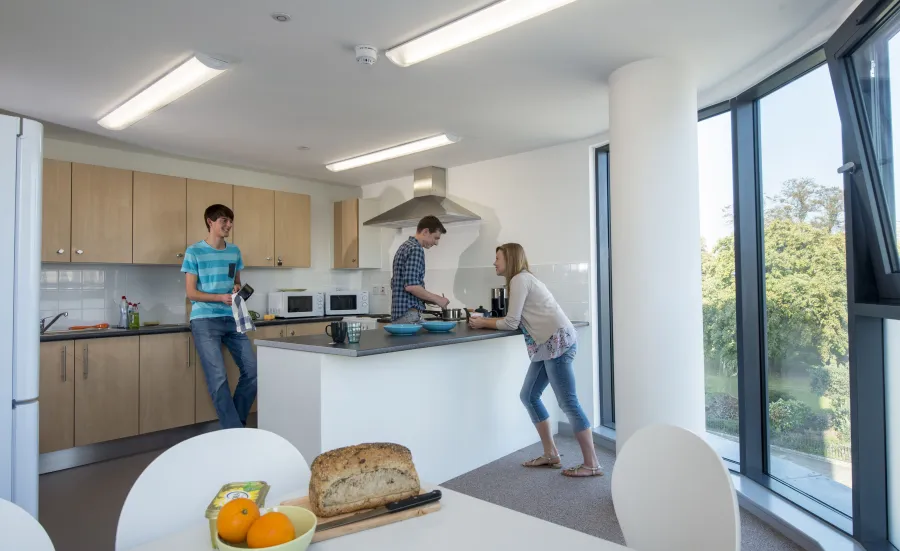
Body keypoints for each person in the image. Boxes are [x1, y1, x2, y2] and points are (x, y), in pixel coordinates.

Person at [469, 243, 602, 477]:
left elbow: (511, 323)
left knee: (568, 403)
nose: (494, 262)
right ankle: (551, 454)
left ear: (509, 259)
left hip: (557, 343)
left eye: (497, 258)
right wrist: (488, 319)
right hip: (547, 345)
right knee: (529, 396)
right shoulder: (522, 280)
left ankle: (592, 465)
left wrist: (482, 322)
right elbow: (517, 318)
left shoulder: (519, 280)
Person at [182, 204, 256, 429]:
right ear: (210, 222)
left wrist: (235, 289)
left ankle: (234, 426)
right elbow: (191, 293)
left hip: (233, 318)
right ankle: (235, 431)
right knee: (218, 378)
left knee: (254, 372)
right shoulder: (194, 252)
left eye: (231, 221)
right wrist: (220, 298)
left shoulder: (234, 251)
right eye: (224, 220)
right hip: (205, 320)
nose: (229, 225)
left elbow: (235, 281)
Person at [391, 215, 451, 323]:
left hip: (401, 315)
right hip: (409, 316)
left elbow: (402, 284)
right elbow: (411, 286)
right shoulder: (416, 249)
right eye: (436, 238)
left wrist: (433, 300)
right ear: (425, 231)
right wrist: (438, 299)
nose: (436, 243)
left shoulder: (404, 246)